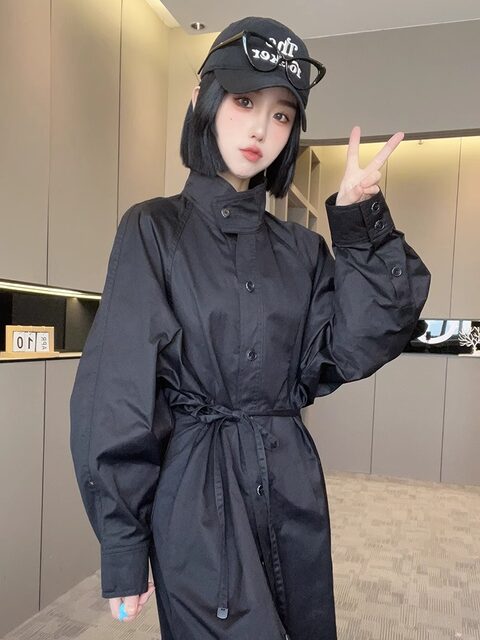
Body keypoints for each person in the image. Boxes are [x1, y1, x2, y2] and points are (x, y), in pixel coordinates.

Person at [69, 15, 431, 640]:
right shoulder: (154, 231)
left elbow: (356, 345)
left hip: (291, 489)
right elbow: (118, 391)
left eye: (282, 114)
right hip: (198, 499)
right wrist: (123, 545)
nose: (262, 128)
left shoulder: (303, 250)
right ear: (203, 99)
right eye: (244, 101)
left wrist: (360, 221)